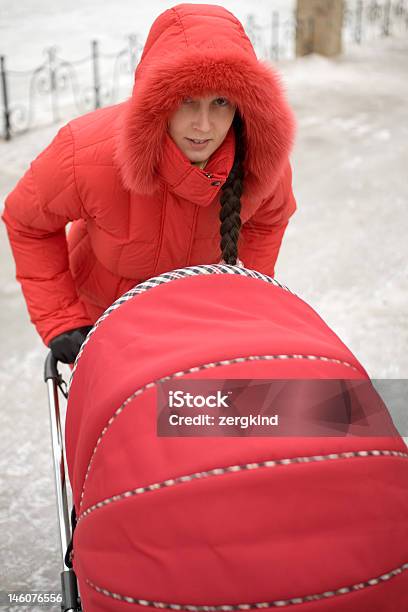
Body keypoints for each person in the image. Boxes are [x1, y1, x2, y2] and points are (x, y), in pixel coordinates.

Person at [2, 3, 297, 364]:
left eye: (220, 101)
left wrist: (246, 300)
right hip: (104, 331)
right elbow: (27, 221)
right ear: (157, 102)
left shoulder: (261, 162)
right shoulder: (88, 153)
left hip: (198, 328)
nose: (203, 126)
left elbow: (270, 221)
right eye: (186, 100)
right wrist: (63, 319)